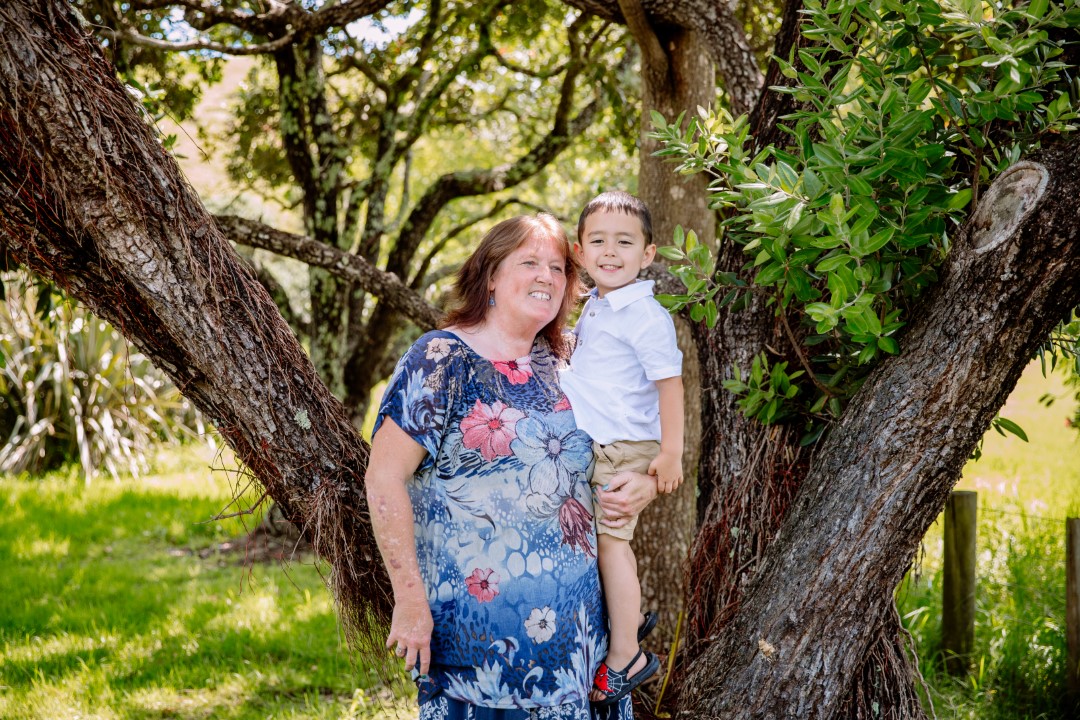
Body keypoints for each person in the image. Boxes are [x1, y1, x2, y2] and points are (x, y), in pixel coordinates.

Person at [365, 213, 657, 720]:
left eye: (558, 267)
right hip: (477, 658)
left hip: (581, 654)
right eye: (529, 263)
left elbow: (633, 440)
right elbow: (384, 477)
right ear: (490, 277)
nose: (547, 276)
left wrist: (645, 484)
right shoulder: (440, 359)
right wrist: (409, 600)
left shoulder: (573, 360)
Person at [559, 191, 684, 706]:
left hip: (627, 446)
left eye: (625, 242)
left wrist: (671, 454)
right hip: (605, 443)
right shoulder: (598, 305)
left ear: (648, 254)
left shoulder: (645, 315)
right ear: (580, 252)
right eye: (598, 241)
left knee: (612, 545)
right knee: (601, 546)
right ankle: (624, 617)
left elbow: (670, 384)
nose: (610, 252)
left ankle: (626, 654)